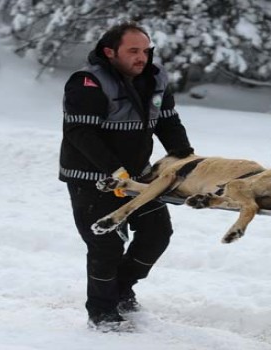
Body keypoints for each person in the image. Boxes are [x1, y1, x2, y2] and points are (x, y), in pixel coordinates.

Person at [58, 22, 194, 332]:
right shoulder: (88, 83)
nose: (141, 57)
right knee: (105, 245)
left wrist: (186, 158)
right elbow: (81, 133)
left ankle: (120, 289)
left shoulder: (155, 79)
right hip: (92, 178)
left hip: (139, 178)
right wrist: (114, 170)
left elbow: (168, 122)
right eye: (133, 51)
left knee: (157, 233)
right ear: (110, 52)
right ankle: (102, 311)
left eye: (145, 51)